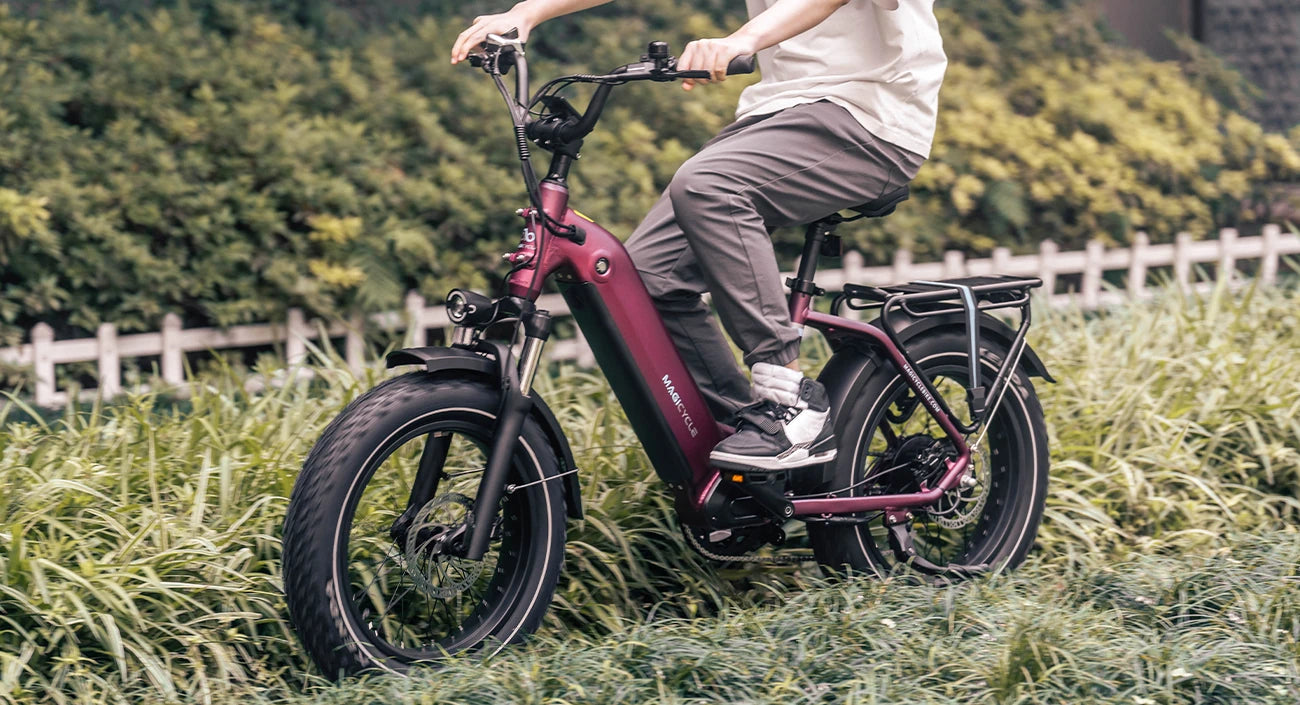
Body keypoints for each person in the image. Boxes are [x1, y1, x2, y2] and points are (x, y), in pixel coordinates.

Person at [453, 1, 947, 472]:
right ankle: (748, 447)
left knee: (710, 185)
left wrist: (741, 40)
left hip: (871, 115)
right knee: (642, 280)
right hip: (780, 112)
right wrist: (527, 12)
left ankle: (790, 403)